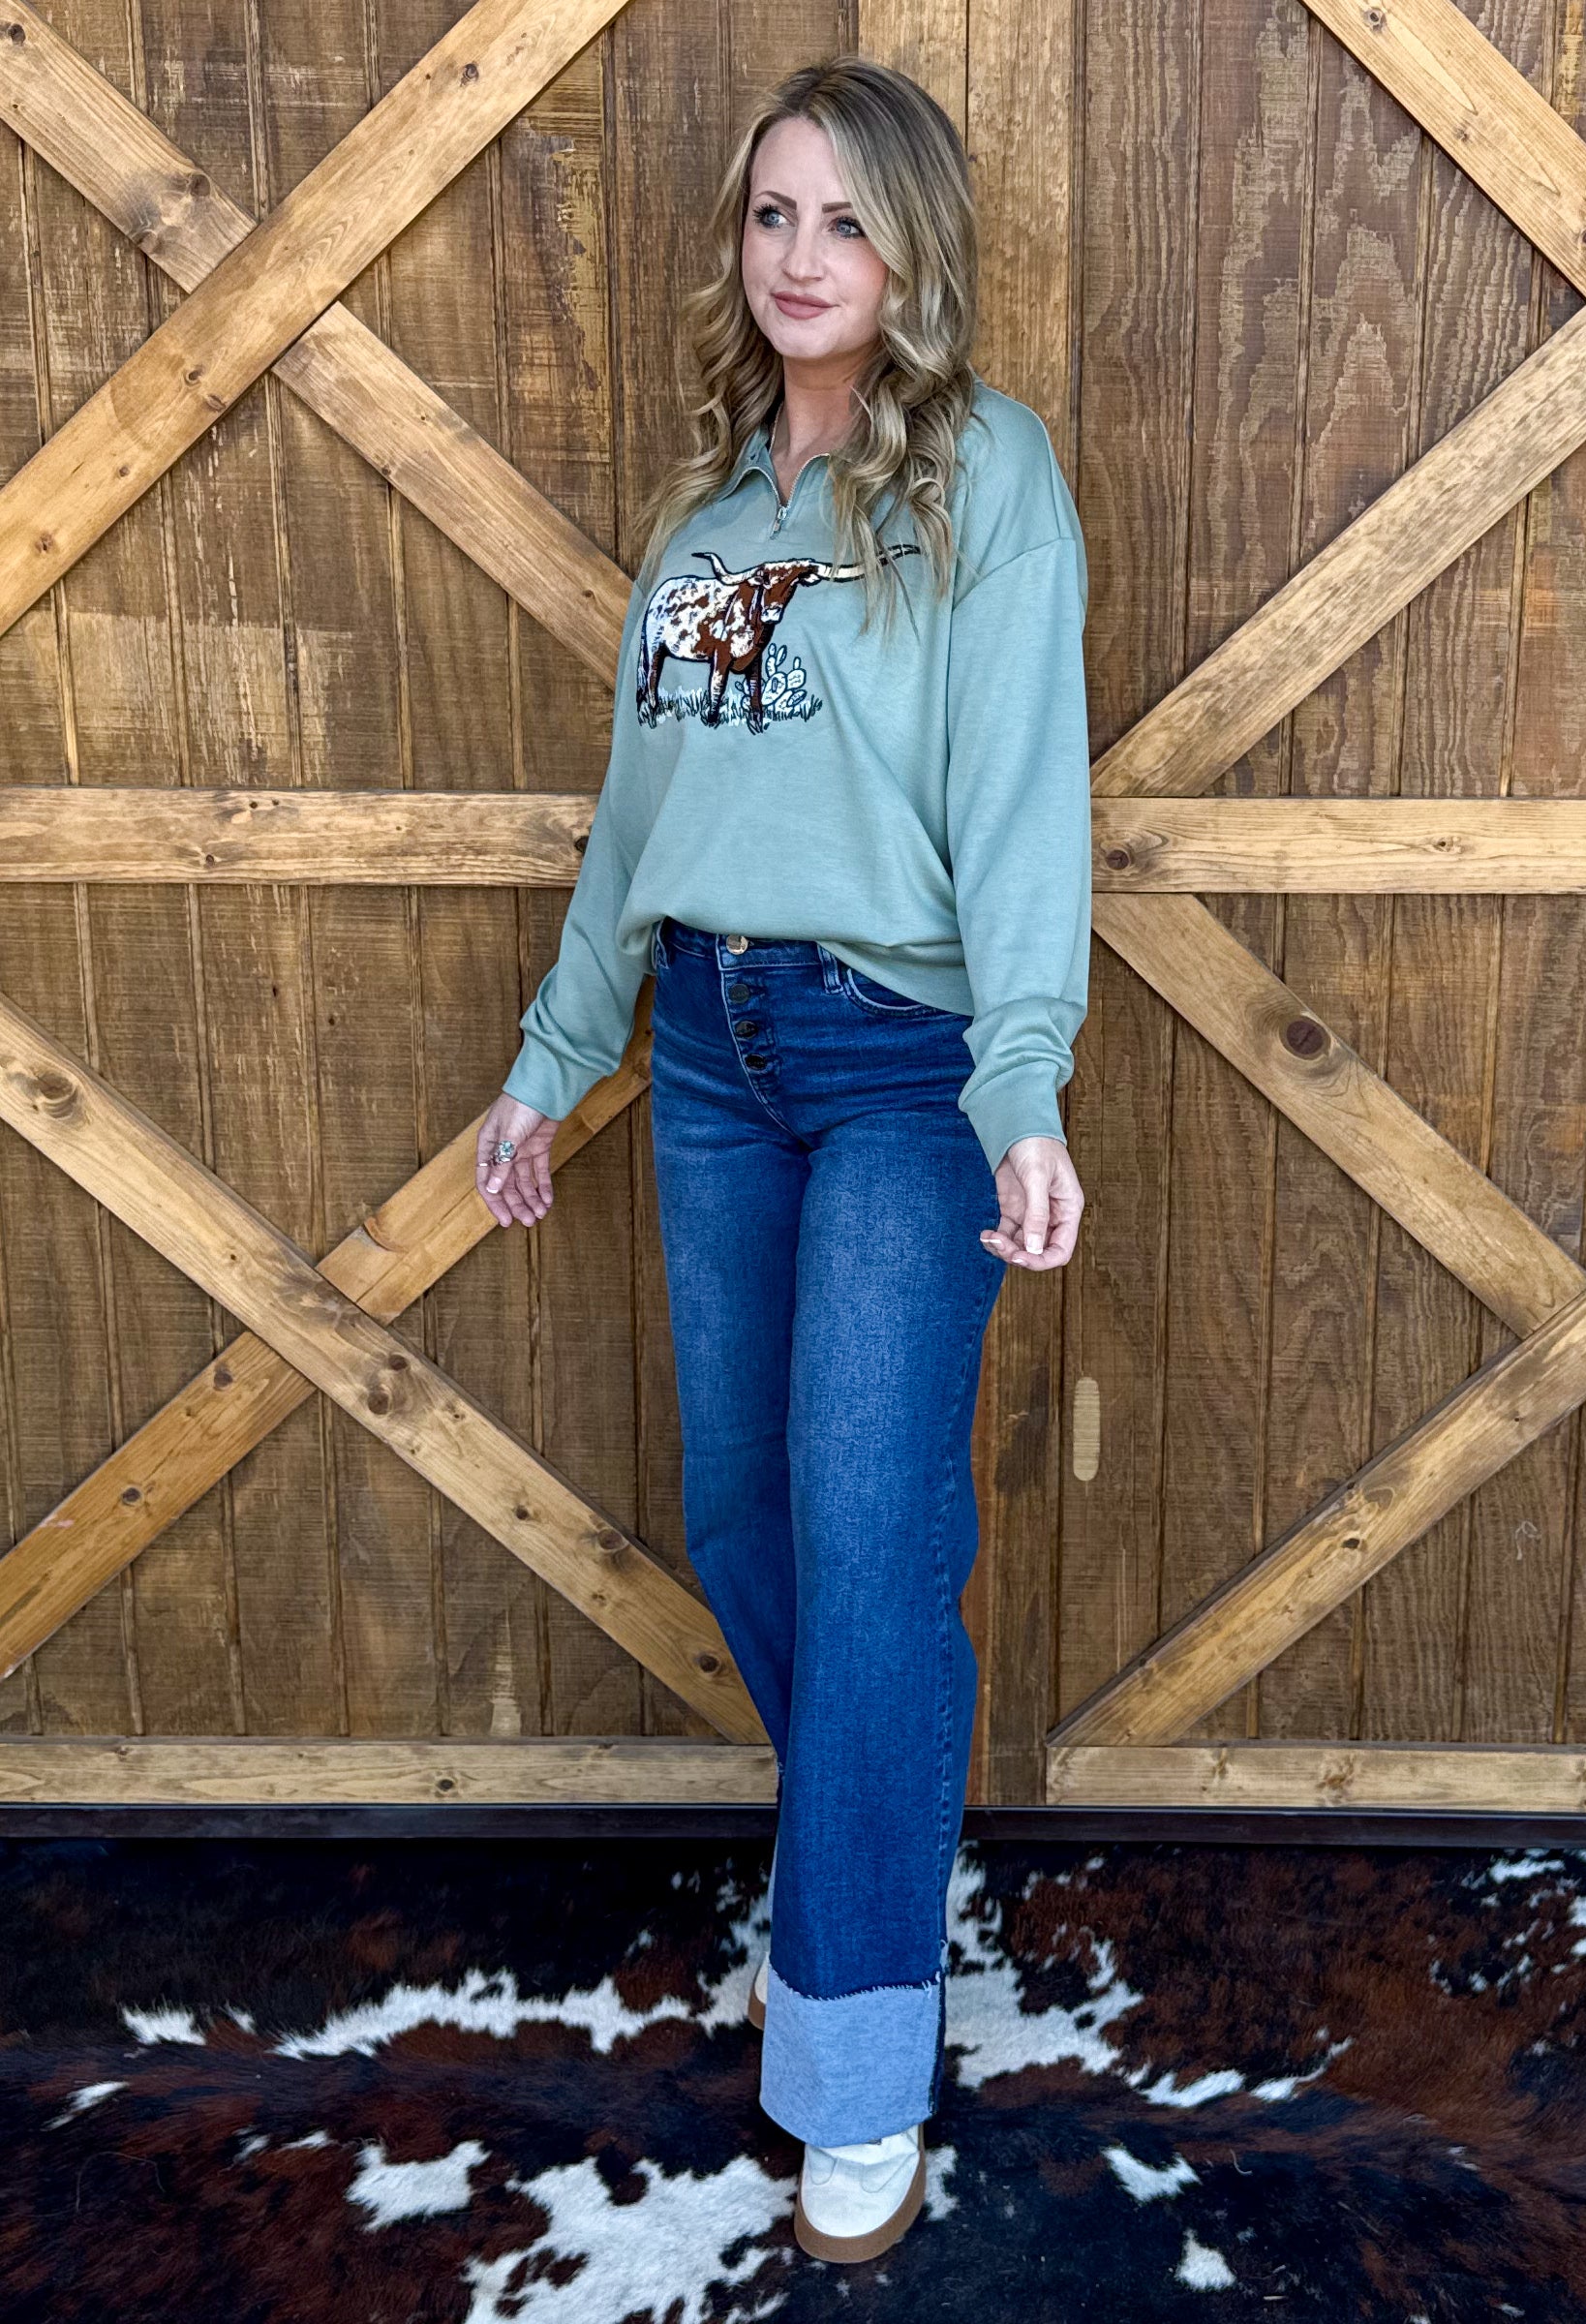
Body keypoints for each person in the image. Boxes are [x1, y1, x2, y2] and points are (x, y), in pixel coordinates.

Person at [475, 54, 1091, 2264]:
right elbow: (635, 822)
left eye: (843, 218)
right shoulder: (710, 518)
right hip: (708, 1055)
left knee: (863, 1524)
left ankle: (850, 2056)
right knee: (750, 1516)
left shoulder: (986, 476)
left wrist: (1020, 1081)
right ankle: (881, 1825)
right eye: (769, 214)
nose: (799, 255)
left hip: (897, 1060)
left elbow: (1022, 801)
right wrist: (552, 1061)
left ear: (912, 247)